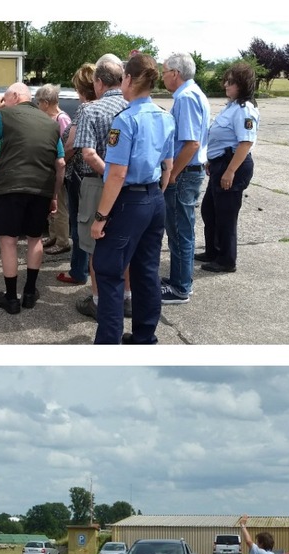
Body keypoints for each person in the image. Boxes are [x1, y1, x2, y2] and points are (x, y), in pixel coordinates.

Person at [89, 53, 174, 345]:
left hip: (129, 202)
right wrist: (155, 196)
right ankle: (144, 336)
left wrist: (100, 218)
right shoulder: (165, 116)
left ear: (128, 79)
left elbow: (116, 174)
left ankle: (108, 343)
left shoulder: (125, 120)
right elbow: (168, 166)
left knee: (109, 271)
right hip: (153, 199)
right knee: (147, 270)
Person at [0, 83, 65, 314]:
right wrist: (54, 196)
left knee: (8, 240)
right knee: (35, 238)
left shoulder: (5, 114)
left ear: (15, 96)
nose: (4, 102)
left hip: (10, 186)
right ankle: (29, 293)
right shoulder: (51, 123)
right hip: (41, 189)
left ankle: (10, 298)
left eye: (6, 98)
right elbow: (60, 163)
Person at [73, 54, 132, 322]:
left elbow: (87, 153)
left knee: (95, 244)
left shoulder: (90, 109)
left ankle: (98, 301)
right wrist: (120, 177)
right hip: (129, 185)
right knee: (124, 245)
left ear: (98, 82)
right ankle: (127, 299)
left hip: (98, 184)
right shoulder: (135, 105)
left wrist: (110, 175)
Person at [198, 61, 259, 273]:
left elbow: (245, 143)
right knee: (209, 210)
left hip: (232, 165)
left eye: (231, 82)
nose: (226, 85)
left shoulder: (245, 110)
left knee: (226, 215)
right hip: (219, 163)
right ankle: (213, 251)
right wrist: (211, 160)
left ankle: (226, 260)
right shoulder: (232, 106)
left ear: (242, 85)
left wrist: (230, 171)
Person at [160, 53, 210, 305]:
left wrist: (172, 175)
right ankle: (179, 279)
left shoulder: (186, 98)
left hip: (184, 173)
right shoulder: (191, 94)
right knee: (181, 230)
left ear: (176, 73)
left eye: (164, 71)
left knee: (180, 232)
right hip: (189, 172)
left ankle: (180, 287)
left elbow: (191, 143)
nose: (162, 76)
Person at [56, 63, 96, 286]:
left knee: (79, 225)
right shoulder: (106, 106)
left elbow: (71, 145)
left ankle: (78, 271)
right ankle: (89, 267)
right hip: (95, 176)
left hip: (79, 176)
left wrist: (61, 162)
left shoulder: (85, 109)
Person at [36, 84, 73, 256]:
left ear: (45, 102)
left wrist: (60, 163)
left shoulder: (61, 119)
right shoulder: (51, 118)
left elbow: (68, 147)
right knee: (52, 206)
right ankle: (53, 236)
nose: (37, 106)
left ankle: (63, 241)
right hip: (50, 170)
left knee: (60, 206)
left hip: (60, 171)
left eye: (38, 102)